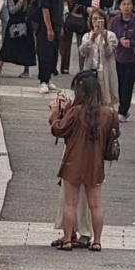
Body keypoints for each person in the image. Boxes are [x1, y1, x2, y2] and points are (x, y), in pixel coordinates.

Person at [49, 71, 120, 251]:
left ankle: (67, 240)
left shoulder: (75, 112)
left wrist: (55, 113)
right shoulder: (109, 113)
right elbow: (115, 134)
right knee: (95, 205)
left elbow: (59, 129)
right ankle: (97, 241)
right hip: (95, 164)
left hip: (73, 162)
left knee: (70, 203)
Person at [110, 0, 135, 121]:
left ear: (133, 6)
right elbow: (111, 36)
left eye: (129, 4)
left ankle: (123, 111)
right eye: (124, 4)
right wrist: (119, 42)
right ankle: (122, 107)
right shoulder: (115, 21)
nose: (126, 7)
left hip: (133, 59)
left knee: (127, 86)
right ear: (119, 7)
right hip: (119, 57)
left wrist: (131, 43)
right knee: (119, 85)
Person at [80, 9, 119, 108]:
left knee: (106, 97)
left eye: (100, 19)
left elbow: (109, 52)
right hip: (91, 69)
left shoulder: (110, 35)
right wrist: (91, 39)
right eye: (94, 19)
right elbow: (83, 52)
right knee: (90, 97)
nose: (97, 22)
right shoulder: (87, 36)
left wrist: (105, 39)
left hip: (105, 70)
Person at [0, 0, 36, 78]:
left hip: (25, 25)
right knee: (7, 46)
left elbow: (30, 10)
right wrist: (21, 1)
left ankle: (26, 70)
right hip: (14, 25)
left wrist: (30, 1)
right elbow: (12, 10)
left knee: (27, 47)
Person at [37, 0, 64, 93]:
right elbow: (45, 9)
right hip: (45, 27)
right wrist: (49, 28)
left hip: (57, 25)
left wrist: (61, 26)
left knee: (53, 54)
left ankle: (49, 79)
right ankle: (43, 81)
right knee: (45, 54)